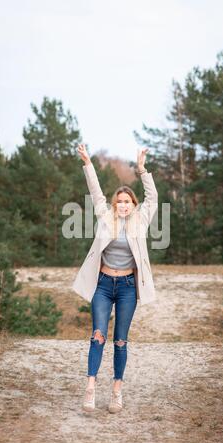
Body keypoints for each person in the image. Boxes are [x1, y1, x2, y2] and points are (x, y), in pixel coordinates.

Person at [73, 143, 158, 413]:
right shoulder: (105, 216)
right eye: (119, 201)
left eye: (127, 202)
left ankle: (117, 391)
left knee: (120, 339)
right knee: (98, 335)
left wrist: (142, 169)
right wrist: (87, 162)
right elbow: (95, 191)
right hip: (103, 284)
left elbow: (153, 197)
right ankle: (90, 387)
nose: (122, 205)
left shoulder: (141, 219)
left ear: (133, 204)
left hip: (127, 288)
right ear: (114, 204)